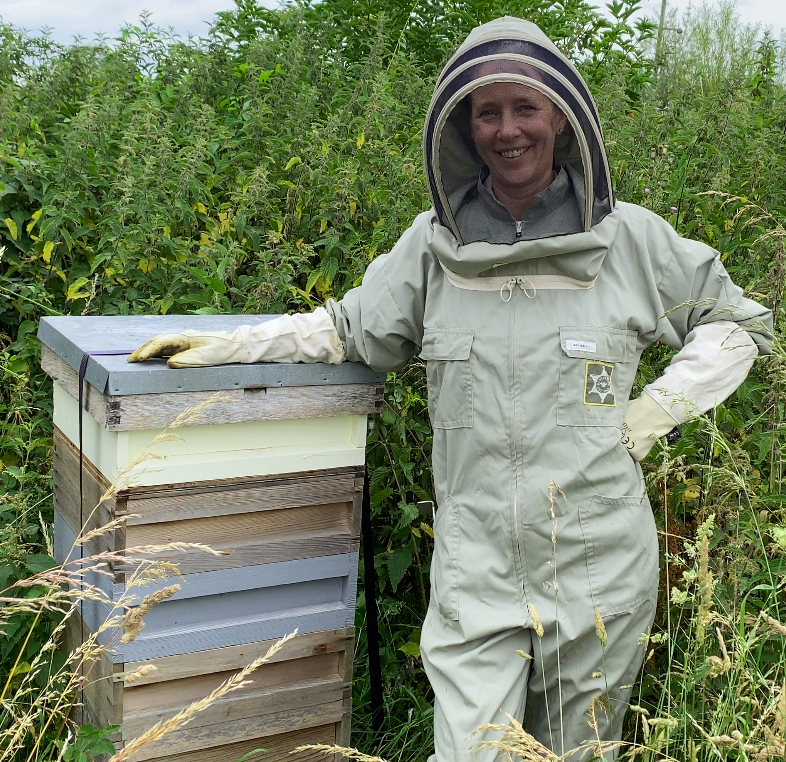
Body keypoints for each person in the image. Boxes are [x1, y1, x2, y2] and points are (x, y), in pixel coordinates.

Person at [128, 17, 774, 762]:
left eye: (525, 108)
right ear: (464, 127)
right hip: (478, 567)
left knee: (581, 754)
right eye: (487, 111)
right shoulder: (431, 248)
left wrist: (655, 411)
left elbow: (738, 323)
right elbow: (347, 329)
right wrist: (234, 346)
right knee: (470, 753)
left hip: (600, 566)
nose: (508, 130)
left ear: (560, 116)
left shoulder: (633, 242)